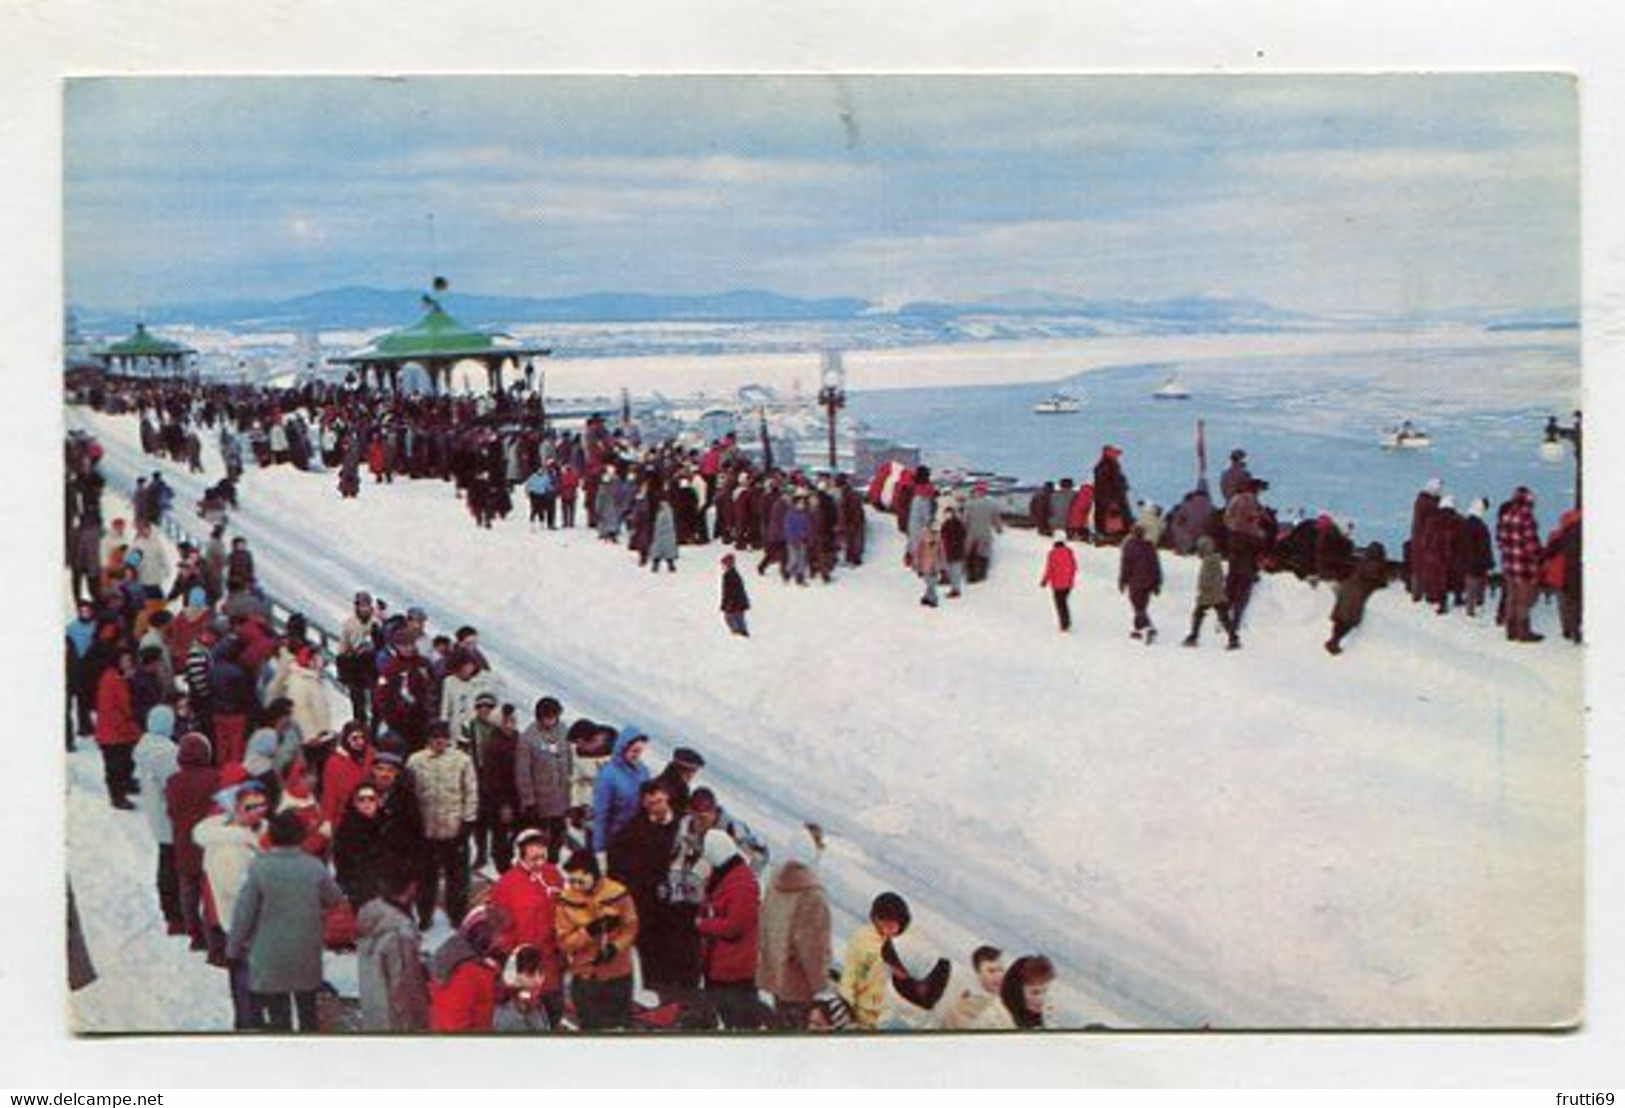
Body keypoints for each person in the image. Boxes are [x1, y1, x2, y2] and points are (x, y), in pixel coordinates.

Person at [228, 810, 345, 1033]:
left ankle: (284, 1051)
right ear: (301, 836)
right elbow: (335, 898)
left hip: (270, 952)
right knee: (307, 1005)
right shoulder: (314, 867)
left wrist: (233, 948)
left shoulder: (260, 868)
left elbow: (244, 913)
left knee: (278, 1011)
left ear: (271, 836)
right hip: (305, 949)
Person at [194, 783, 268, 1027]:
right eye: (250, 807)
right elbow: (237, 890)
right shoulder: (229, 848)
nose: (258, 811)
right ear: (234, 810)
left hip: (246, 922)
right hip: (240, 922)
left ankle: (251, 1021)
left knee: (248, 975)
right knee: (245, 977)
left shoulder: (244, 836)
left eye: (262, 804)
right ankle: (249, 1026)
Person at [486, 828, 565, 1024]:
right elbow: (499, 929)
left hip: (551, 962)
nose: (539, 863)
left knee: (554, 1009)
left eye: (542, 857)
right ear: (519, 857)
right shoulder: (505, 886)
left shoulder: (553, 874)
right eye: (533, 859)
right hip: (524, 967)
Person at [555, 850, 640, 1030]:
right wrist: (588, 931)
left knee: (620, 1027)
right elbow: (564, 942)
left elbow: (631, 927)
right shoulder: (565, 900)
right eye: (571, 881)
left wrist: (615, 948)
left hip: (618, 974)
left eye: (580, 881)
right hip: (586, 977)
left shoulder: (618, 893)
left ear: (594, 874)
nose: (575, 886)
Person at [406, 721, 479, 931]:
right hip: (426, 831)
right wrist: (413, 824)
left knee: (457, 878)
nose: (439, 742)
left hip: (454, 830)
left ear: (448, 738)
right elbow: (408, 793)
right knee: (425, 877)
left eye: (443, 737)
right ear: (428, 739)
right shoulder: (415, 761)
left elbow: (471, 792)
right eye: (435, 737)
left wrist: (468, 822)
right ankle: (424, 915)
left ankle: (457, 915)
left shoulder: (462, 760)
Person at [695, 830, 763, 1029]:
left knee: (738, 1021)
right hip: (719, 964)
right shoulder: (722, 872)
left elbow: (734, 926)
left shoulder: (742, 884)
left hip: (734, 969)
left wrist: (702, 924)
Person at [756, 851, 832, 1029]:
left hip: (774, 980)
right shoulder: (812, 895)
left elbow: (763, 925)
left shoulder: (774, 882)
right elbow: (813, 950)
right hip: (799, 987)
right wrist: (822, 989)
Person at [355, 861, 425, 1030]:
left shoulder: (371, 916)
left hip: (373, 1011)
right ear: (411, 887)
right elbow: (404, 990)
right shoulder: (399, 935)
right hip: (395, 1023)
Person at [166, 732, 220, 951]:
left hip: (184, 841)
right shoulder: (215, 778)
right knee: (209, 891)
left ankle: (194, 934)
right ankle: (212, 933)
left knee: (188, 890)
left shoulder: (173, 781)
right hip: (208, 842)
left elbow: (171, 811)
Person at [133, 704, 184, 934]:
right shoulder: (167, 753)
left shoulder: (145, 748)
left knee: (166, 859)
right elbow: (175, 786)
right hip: (169, 817)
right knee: (173, 864)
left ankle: (169, 908)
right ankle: (175, 912)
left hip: (156, 814)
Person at [429, 907, 509, 1033]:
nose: (501, 941)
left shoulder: (473, 961)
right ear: (483, 937)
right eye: (498, 935)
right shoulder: (466, 972)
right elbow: (456, 1023)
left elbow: (485, 995)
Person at [839, 891, 912, 1030]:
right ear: (875, 919)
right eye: (883, 920)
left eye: (892, 922)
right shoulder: (862, 939)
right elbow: (849, 977)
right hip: (861, 1013)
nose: (887, 926)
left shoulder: (908, 946)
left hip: (890, 1019)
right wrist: (847, 1008)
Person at [515, 696, 573, 862]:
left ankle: (552, 865)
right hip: (540, 801)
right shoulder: (528, 738)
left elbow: (569, 758)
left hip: (561, 797)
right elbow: (522, 772)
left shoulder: (563, 730)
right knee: (538, 842)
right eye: (548, 717)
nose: (552, 720)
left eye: (554, 716)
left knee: (557, 838)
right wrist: (528, 800)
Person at [467, 692, 519, 873]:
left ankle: (500, 857)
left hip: (495, 781)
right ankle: (482, 853)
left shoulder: (508, 734)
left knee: (499, 822)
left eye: (489, 707)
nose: (485, 711)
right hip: (476, 776)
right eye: (481, 707)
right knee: (479, 819)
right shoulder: (470, 727)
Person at [591, 726, 651, 858]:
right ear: (622, 748)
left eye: (640, 751)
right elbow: (600, 815)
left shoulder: (644, 771)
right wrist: (599, 849)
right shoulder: (608, 775)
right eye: (634, 751)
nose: (637, 755)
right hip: (613, 839)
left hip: (634, 839)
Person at [94, 647, 141, 809]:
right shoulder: (110, 679)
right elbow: (110, 708)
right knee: (115, 766)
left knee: (127, 761)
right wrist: (127, 723)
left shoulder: (120, 677)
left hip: (124, 729)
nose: (128, 663)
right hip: (113, 732)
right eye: (125, 660)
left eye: (129, 660)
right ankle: (117, 796)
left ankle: (126, 784)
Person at [1496, 486, 1544, 643]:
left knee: (1512, 597)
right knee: (1524, 600)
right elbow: (1532, 546)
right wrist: (1540, 558)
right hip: (1524, 566)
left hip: (1509, 565)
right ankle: (1524, 632)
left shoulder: (1506, 516)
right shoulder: (1527, 518)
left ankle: (1511, 630)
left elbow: (1500, 541)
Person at [1325, 543, 1390, 656]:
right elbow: (1374, 579)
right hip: (1356, 595)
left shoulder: (1363, 561)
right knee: (1347, 621)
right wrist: (1383, 582)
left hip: (1347, 590)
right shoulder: (1374, 564)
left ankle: (1333, 641)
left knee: (1341, 618)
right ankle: (1334, 642)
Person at [938, 945, 1015, 1030]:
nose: (998, 976)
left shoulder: (1007, 1001)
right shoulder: (965, 1006)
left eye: (1001, 970)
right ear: (978, 973)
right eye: (991, 971)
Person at [1182, 537, 1238, 649]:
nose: (1199, 551)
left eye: (1200, 548)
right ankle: (1233, 639)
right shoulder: (1214, 558)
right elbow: (1220, 577)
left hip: (1208, 594)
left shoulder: (1209, 561)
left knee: (1198, 615)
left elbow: (1207, 578)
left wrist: (1202, 588)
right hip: (1217, 593)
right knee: (1224, 617)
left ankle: (1193, 637)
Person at [494, 945, 555, 1033]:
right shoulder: (510, 1018)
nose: (538, 981)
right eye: (530, 974)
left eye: (541, 972)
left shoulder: (536, 1004)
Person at [1118, 523, 1163, 643]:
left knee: (1138, 607)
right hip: (1148, 583)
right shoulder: (1150, 547)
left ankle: (1149, 628)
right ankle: (1137, 630)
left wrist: (1122, 581)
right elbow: (1156, 566)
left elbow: (1125, 567)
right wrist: (1157, 583)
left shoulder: (1129, 546)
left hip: (1135, 582)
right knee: (1142, 606)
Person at [999, 954, 1056, 1029]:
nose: (1041, 999)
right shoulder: (998, 1019)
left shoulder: (1043, 1021)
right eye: (1035, 993)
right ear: (1016, 991)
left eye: (1045, 991)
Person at [1460, 498, 1496, 618]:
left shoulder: (1468, 523)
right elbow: (1484, 545)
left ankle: (1472, 609)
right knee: (1476, 585)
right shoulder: (1479, 525)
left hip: (1471, 559)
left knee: (1473, 585)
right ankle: (1472, 610)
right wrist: (1488, 561)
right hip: (1478, 560)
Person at [962, 482, 1003, 584]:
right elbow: (996, 518)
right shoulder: (992, 504)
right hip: (985, 533)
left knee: (970, 553)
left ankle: (971, 575)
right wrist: (999, 528)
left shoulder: (969, 503)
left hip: (972, 533)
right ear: (985, 492)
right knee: (984, 553)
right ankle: (982, 574)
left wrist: (963, 530)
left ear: (976, 492)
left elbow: (965, 519)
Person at [1039, 540, 1078, 633]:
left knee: (1060, 604)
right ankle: (1066, 622)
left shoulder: (1052, 554)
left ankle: (1064, 624)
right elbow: (1074, 567)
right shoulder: (1069, 552)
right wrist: (1070, 579)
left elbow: (1049, 568)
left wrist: (1044, 580)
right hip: (1068, 584)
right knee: (1064, 602)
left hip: (1057, 585)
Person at [720, 554, 751, 637]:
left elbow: (730, 591)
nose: (722, 567)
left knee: (729, 618)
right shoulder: (734, 574)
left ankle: (737, 633)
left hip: (735, 602)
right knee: (739, 617)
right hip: (740, 601)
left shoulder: (729, 575)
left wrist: (728, 604)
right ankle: (743, 632)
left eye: (723, 564)